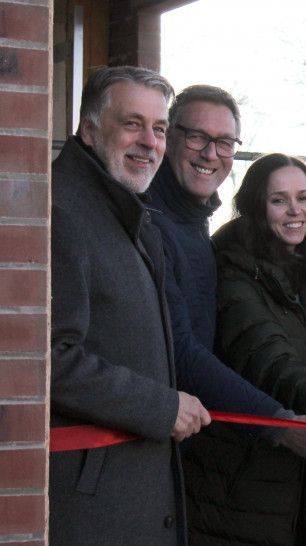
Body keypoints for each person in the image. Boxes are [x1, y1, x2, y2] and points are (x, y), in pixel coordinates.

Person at [147, 86, 306, 543]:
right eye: (197, 137)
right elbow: (262, 357)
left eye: (224, 142)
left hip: (284, 481)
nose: (210, 153)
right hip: (232, 479)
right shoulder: (224, 259)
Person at [186, 152, 306, 545]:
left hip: (295, 476)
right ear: (256, 207)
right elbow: (273, 362)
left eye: (303, 197)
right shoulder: (234, 273)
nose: (295, 210)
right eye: (279, 200)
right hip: (237, 478)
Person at [50, 66, 210, 545]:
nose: (149, 142)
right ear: (89, 129)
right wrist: (160, 406)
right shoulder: (60, 212)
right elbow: (46, 358)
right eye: (132, 124)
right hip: (90, 507)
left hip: (124, 495)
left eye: (159, 129)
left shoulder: (120, 210)